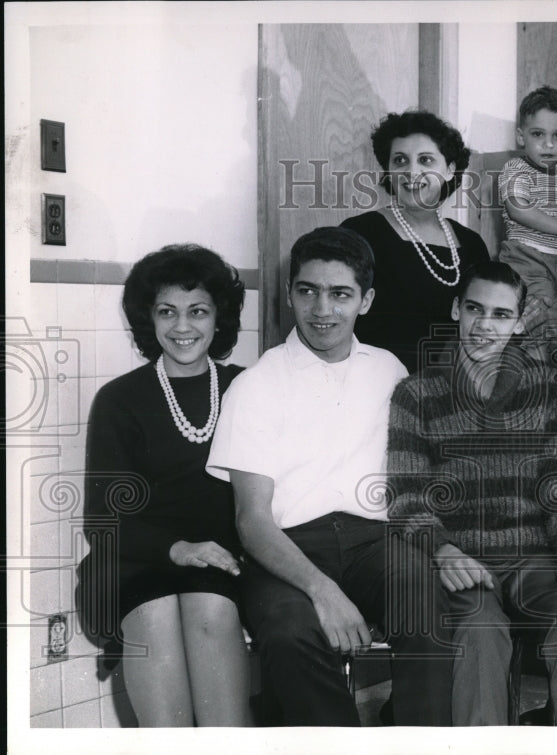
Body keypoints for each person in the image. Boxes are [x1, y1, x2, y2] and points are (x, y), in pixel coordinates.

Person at [206, 227, 454, 726]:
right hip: (287, 548)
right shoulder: (257, 385)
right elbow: (252, 521)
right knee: (288, 632)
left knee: (428, 609)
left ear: (366, 301)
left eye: (340, 294)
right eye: (308, 291)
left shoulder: (389, 371)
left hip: (376, 543)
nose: (322, 310)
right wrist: (322, 590)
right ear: (290, 294)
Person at [386, 260, 557, 726]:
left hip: (535, 559)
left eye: (501, 315)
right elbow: (406, 496)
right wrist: (442, 550)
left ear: (520, 321)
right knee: (480, 631)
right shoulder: (416, 393)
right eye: (474, 309)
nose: (485, 326)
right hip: (464, 561)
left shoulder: (549, 391)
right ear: (456, 309)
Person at [78, 244, 250, 726]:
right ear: (147, 320)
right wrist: (179, 548)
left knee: (211, 611)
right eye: (167, 312)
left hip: (221, 560)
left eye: (198, 311)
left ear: (220, 318)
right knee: (153, 616)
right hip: (133, 562)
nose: (182, 327)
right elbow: (103, 520)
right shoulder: (119, 400)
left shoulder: (246, 388)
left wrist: (211, 552)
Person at [341, 109, 490, 372]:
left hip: (452, 387)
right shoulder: (360, 233)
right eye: (400, 160)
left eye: (426, 160)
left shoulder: (472, 244)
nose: (411, 171)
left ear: (449, 170)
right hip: (377, 382)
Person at [498, 85, 557, 335]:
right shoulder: (516, 169)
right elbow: (519, 209)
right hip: (527, 258)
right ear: (521, 136)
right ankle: (522, 363)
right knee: (535, 317)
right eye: (538, 134)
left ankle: (541, 366)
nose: (548, 144)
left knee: (556, 319)